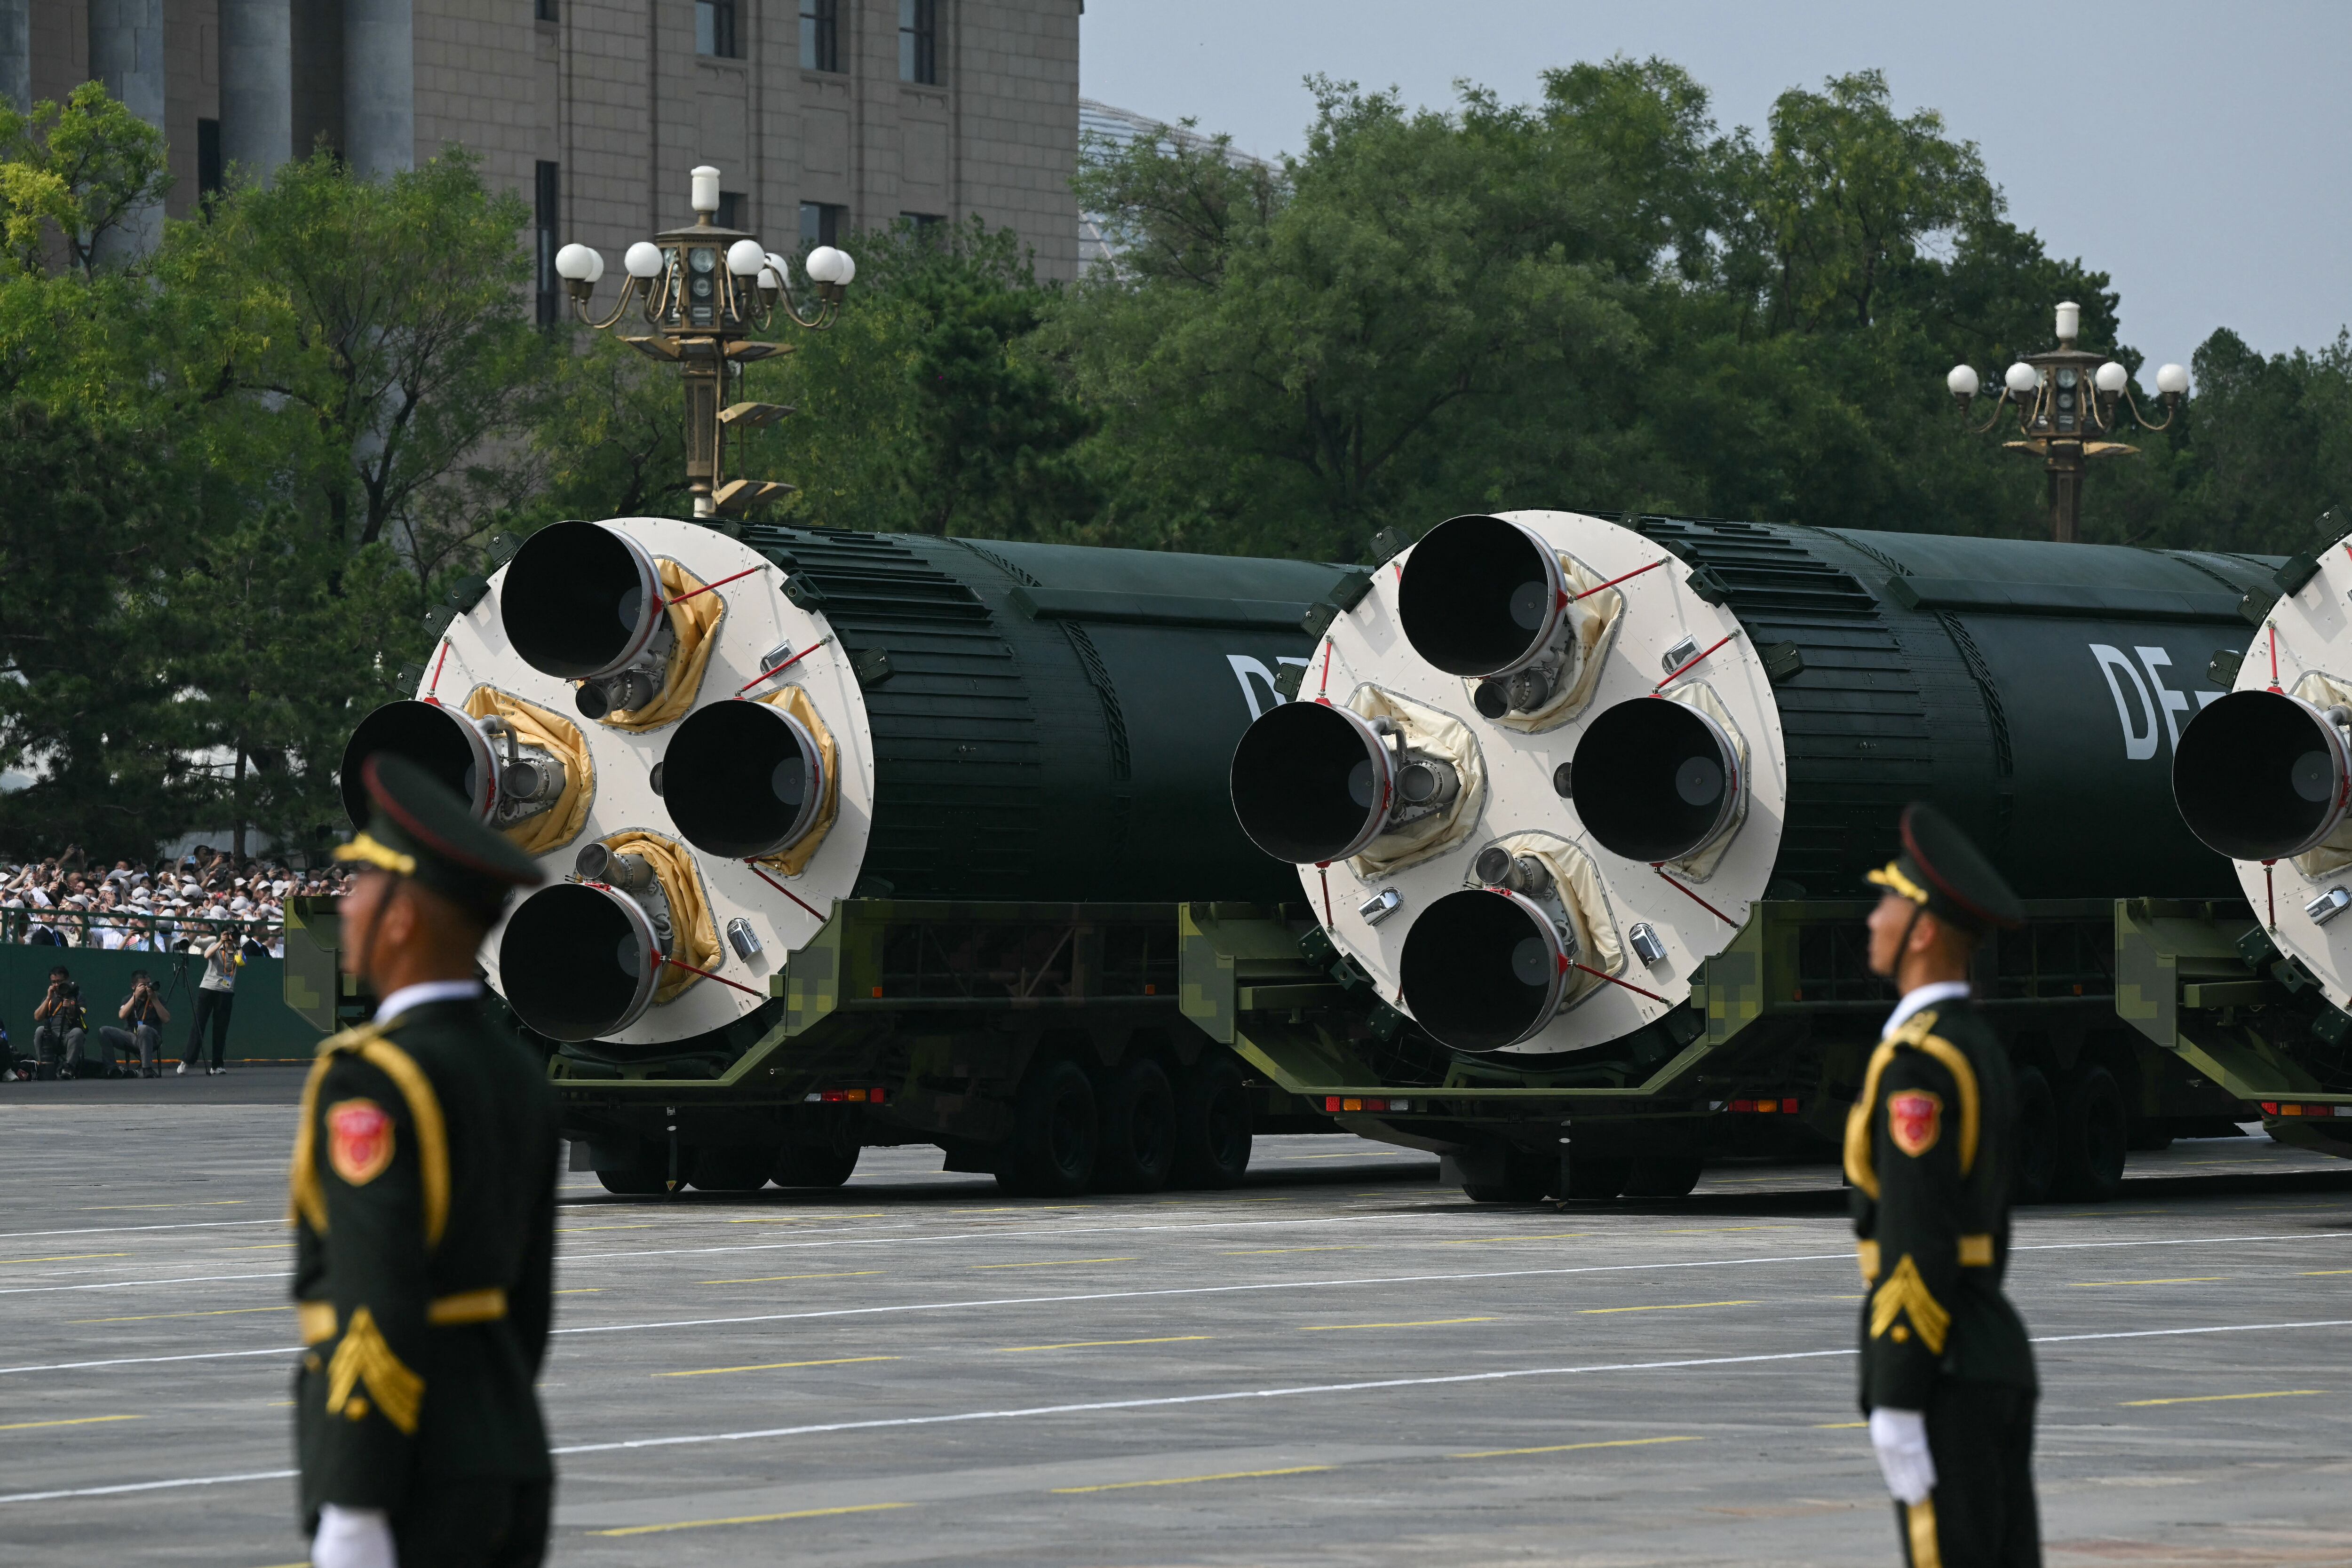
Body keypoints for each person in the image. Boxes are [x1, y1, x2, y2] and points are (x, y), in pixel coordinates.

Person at [292, 753, 554, 1568]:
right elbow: (528, 1297)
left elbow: (375, 1290)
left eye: (362, 885)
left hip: (413, 1474)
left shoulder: (372, 1074)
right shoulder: (517, 1069)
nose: (347, 906)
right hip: (504, 1443)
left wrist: (357, 1498)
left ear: (403, 916)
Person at [1851, 803, 2040, 1568]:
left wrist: (1898, 1384)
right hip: (1987, 1342)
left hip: (1945, 1362)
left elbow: (1916, 1231)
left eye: (1886, 903)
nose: (1871, 920)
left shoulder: (1919, 1063)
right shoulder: (1977, 1043)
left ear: (1923, 930)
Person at [179, 924, 242, 1076]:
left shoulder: (238, 950)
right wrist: (221, 942)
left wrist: (237, 944)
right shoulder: (215, 945)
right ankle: (187, 1060)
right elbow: (207, 956)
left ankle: (217, 1065)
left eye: (232, 934)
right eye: (228, 934)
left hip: (226, 991)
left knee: (221, 1029)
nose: (230, 936)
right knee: (199, 1024)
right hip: (208, 989)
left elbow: (242, 962)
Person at [101, 970, 171, 1079]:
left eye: (149, 984)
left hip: (153, 1037)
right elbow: (122, 1015)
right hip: (132, 1037)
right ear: (134, 986)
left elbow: (166, 1019)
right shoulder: (127, 999)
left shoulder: (158, 998)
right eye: (143, 985)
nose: (147, 987)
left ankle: (147, 1069)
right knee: (104, 1031)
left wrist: (154, 999)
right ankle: (112, 1069)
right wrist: (135, 997)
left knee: (143, 1029)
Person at [32, 965, 87, 1078]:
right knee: (40, 1030)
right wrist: (48, 998)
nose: (56, 985)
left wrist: (72, 1008)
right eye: (53, 982)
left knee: (78, 1032)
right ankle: (43, 1067)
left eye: (59, 982)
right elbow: (37, 1017)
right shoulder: (51, 997)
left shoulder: (77, 996)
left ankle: (68, 1069)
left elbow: (82, 1014)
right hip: (53, 1038)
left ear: (67, 980)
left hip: (70, 1038)